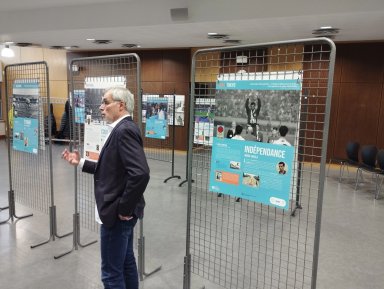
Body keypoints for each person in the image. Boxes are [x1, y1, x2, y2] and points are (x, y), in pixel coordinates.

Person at [61, 87, 150, 289]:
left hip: (117, 215)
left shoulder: (124, 130)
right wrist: (81, 162)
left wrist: (124, 209)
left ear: (121, 105)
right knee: (126, 262)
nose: (101, 107)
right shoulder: (123, 128)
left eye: (106, 102)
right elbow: (113, 170)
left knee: (111, 274)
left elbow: (140, 173)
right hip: (122, 214)